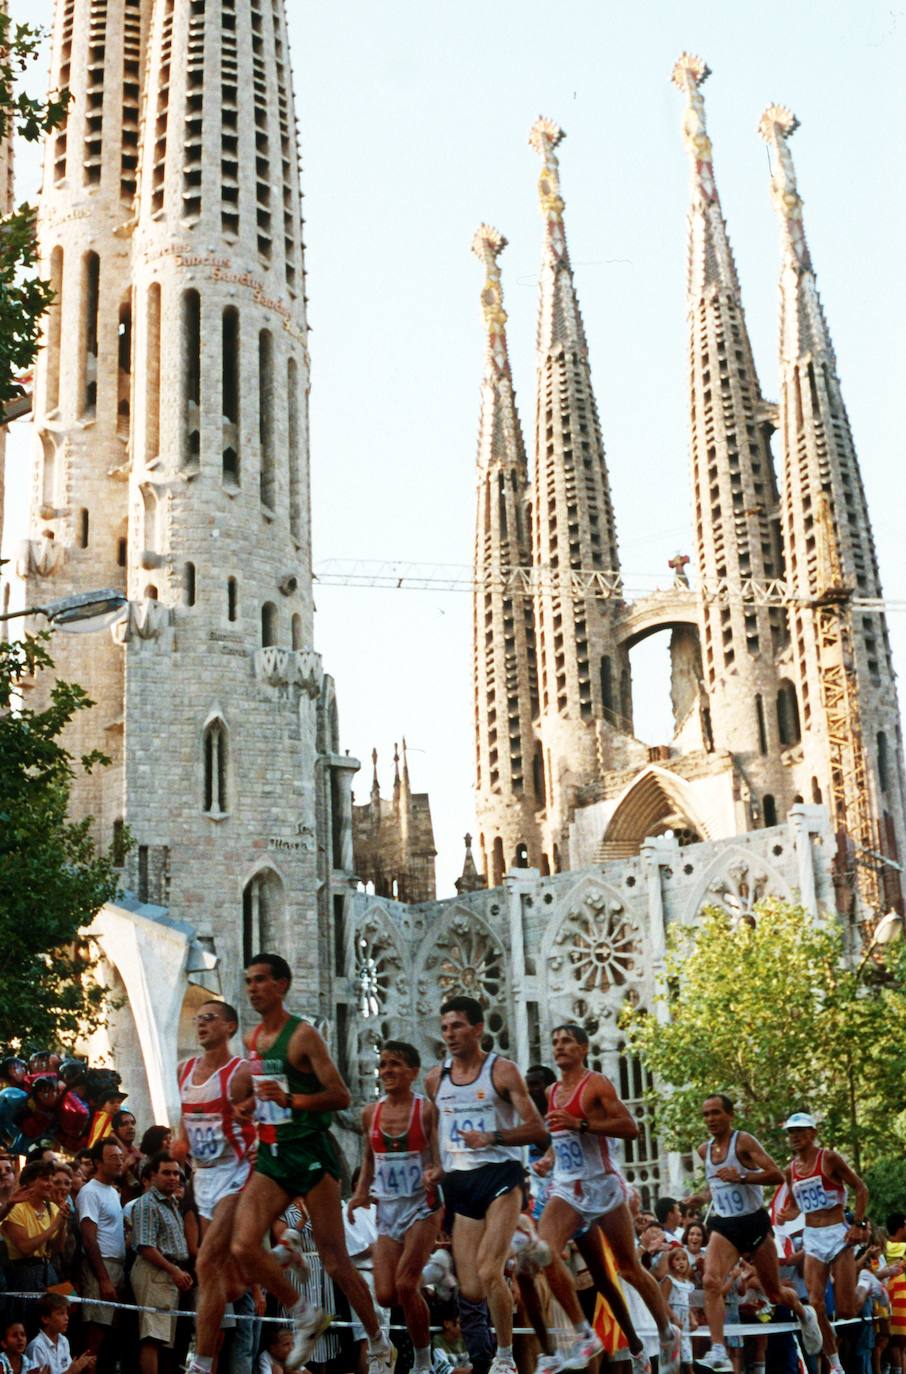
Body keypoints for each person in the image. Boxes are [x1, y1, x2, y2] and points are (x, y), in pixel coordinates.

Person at [229, 951, 395, 1374]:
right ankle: (304, 1312)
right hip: (273, 1151)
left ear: (282, 985)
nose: (253, 988)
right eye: (248, 980)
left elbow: (339, 1096)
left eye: (261, 979)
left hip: (311, 1151)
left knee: (336, 1260)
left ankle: (378, 1340)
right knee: (244, 1245)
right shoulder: (253, 1040)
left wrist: (290, 1100)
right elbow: (267, 1090)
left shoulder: (303, 1036)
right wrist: (249, 1105)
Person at [534, 1023, 678, 1374]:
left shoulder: (596, 1083)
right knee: (542, 1251)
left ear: (583, 1048)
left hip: (603, 1185)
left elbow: (630, 1127)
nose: (560, 1046)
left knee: (626, 1269)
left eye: (567, 1041)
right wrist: (549, 1160)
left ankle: (665, 1331)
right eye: (555, 1042)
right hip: (568, 1189)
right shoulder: (553, 1091)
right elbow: (560, 1135)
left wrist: (581, 1123)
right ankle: (585, 1335)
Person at [423, 995, 548, 1374]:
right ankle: (520, 1237)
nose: (450, 1034)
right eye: (445, 1028)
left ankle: (505, 1358)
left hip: (500, 1176)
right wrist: (436, 1166)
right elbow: (434, 1124)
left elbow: (537, 1129)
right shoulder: (435, 1078)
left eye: (457, 1026)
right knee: (472, 1288)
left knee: (490, 1270)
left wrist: (493, 1137)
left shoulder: (502, 1071)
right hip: (461, 1183)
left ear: (478, 1029)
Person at [685, 1094, 821, 1373]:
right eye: (706, 1115)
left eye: (715, 1113)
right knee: (711, 1280)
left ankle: (803, 1312)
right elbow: (716, 1187)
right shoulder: (704, 1150)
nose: (710, 1119)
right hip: (725, 1224)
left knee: (773, 1293)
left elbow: (776, 1175)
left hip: (754, 1223)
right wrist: (700, 1198)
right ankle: (719, 1349)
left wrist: (743, 1177)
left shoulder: (743, 1141)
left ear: (730, 1115)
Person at [174, 999, 259, 1374]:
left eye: (210, 1018)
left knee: (206, 1261)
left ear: (230, 1027)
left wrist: (261, 1138)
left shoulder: (242, 1072)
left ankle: (201, 1363)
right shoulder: (184, 1070)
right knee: (223, 1279)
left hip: (236, 1173)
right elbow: (185, 1120)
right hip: (202, 1175)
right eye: (199, 1019)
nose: (202, 1024)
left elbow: (280, 1104)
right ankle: (262, 1269)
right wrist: (179, 1143)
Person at [348, 1040, 442, 1374]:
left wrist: (436, 1171)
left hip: (422, 1206)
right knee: (387, 1295)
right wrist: (360, 1193)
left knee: (405, 1285)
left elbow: (442, 1156)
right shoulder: (370, 1113)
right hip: (387, 1208)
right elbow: (369, 1157)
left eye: (395, 1064)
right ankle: (436, 1271)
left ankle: (422, 1362)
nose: (387, 1070)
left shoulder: (426, 1110)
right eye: (384, 1064)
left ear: (413, 1072)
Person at [780, 1111, 870, 1374]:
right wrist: (789, 1213)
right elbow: (796, 1206)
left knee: (845, 1311)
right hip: (812, 1237)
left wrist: (858, 1224)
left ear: (812, 1133)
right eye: (790, 1132)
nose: (794, 1137)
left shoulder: (829, 1158)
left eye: (800, 1131)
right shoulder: (790, 1170)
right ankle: (836, 1365)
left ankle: (864, 1284)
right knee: (816, 1303)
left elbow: (861, 1188)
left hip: (838, 1234)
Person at [129, 1151, 194, 1374]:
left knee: (164, 1340)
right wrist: (173, 1270)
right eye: (166, 1172)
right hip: (154, 1271)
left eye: (176, 1173)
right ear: (152, 1176)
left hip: (170, 1273)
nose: (173, 1177)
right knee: (152, 1337)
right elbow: (145, 1246)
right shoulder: (148, 1203)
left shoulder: (171, 1203)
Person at [76, 1137, 125, 1365]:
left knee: (111, 1337)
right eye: (113, 1157)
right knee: (95, 1335)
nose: (119, 1162)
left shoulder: (113, 1192)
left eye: (120, 1157)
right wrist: (103, 1278)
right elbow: (88, 1238)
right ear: (98, 1162)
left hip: (117, 1266)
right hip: (100, 1267)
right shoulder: (90, 1192)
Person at [0, 1160, 66, 1294]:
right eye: (45, 1179)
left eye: (51, 1180)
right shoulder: (15, 1208)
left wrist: (63, 1223)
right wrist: (53, 1227)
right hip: (23, 1275)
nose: (50, 1185)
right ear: (29, 1182)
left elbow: (57, 1249)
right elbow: (25, 1249)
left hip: (48, 1272)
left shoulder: (52, 1208)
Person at [25, 1292, 95, 1374]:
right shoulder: (37, 1347)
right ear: (45, 1318)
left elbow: (68, 1370)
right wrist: (70, 1372)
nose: (67, 1318)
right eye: (61, 1313)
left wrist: (80, 1365)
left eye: (66, 1313)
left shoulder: (64, 1340)